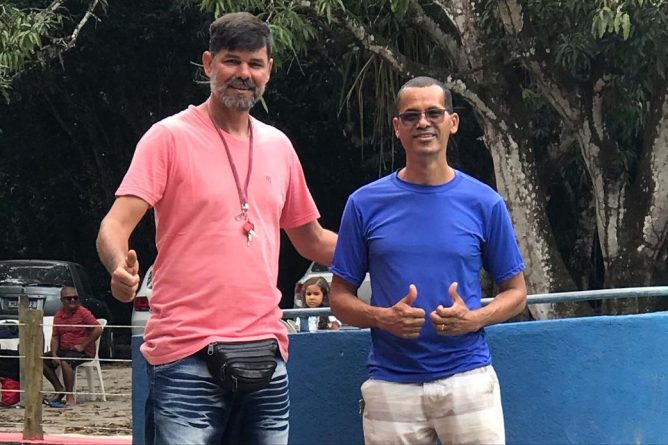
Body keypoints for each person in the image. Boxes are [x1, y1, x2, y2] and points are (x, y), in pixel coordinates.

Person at [96, 11, 336, 445]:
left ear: (268, 70)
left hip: (266, 352)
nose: (244, 73)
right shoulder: (168, 138)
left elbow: (312, 240)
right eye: (232, 61)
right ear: (209, 63)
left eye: (255, 63)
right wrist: (118, 266)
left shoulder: (279, 147)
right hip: (185, 352)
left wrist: (386, 249)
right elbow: (115, 224)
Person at [329, 76, 527, 445]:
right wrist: (382, 317)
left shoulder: (485, 203)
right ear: (397, 127)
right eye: (411, 116)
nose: (423, 122)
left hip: (467, 379)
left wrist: (474, 319)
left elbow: (516, 292)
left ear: (453, 122)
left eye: (434, 113)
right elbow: (338, 297)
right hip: (391, 385)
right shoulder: (364, 204)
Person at [43, 286, 103, 407]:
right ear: (62, 300)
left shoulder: (83, 312)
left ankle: (70, 396)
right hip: (64, 349)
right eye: (68, 298)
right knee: (40, 360)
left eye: (75, 298)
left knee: (66, 362)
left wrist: (83, 345)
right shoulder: (58, 315)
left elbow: (98, 329)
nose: (72, 300)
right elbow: (55, 337)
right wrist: (54, 354)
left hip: (82, 351)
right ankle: (59, 389)